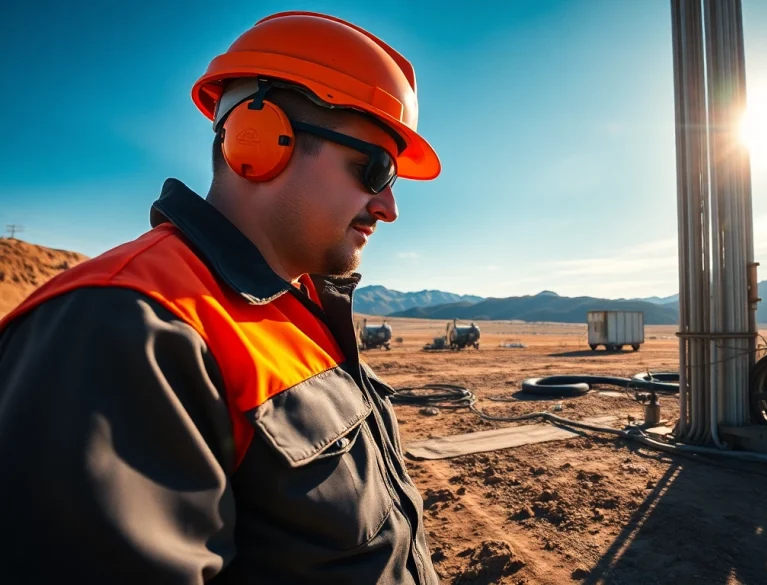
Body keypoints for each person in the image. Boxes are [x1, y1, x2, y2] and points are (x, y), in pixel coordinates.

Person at [0, 11, 442, 584]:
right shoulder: (124, 324)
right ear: (259, 139)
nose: (389, 208)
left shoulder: (301, 311)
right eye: (375, 169)